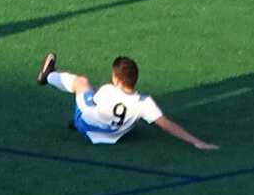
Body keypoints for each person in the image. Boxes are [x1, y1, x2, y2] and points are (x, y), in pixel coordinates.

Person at [35, 51, 214, 150]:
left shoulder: (107, 90)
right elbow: (165, 124)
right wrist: (196, 141)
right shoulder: (144, 103)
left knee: (82, 83)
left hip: (85, 123)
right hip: (114, 135)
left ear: (118, 80)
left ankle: (48, 75)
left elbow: (93, 101)